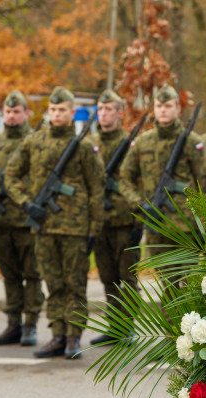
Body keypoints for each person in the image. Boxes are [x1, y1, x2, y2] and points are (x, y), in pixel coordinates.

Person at [6, 86, 105, 360]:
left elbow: (97, 188)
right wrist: (26, 203)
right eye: (53, 110)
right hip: (44, 227)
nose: (57, 114)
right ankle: (57, 335)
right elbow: (11, 175)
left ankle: (74, 337)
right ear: (48, 112)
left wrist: (94, 228)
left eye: (62, 110)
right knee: (53, 284)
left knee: (74, 285)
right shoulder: (33, 142)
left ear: (72, 112)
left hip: (75, 228)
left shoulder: (83, 146)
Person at [0, 90, 43, 348]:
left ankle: (30, 325)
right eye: (8, 112)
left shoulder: (36, 142)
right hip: (1, 222)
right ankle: (13, 324)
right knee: (9, 276)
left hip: (26, 221)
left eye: (16, 112)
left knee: (32, 275)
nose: (11, 116)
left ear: (26, 114)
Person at [87, 89, 142, 345]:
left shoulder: (130, 144)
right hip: (100, 221)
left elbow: (137, 181)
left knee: (127, 278)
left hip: (124, 221)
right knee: (107, 277)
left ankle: (128, 328)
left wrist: (138, 221)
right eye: (100, 109)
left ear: (119, 113)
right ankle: (114, 327)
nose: (104, 114)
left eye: (109, 109)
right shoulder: (91, 143)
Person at [118, 85, 205, 245]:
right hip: (154, 226)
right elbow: (124, 179)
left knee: (186, 271)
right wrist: (141, 205)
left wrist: (204, 225)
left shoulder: (192, 141)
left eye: (168, 106)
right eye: (159, 106)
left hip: (185, 228)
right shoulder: (142, 142)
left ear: (178, 108)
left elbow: (205, 184)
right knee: (158, 271)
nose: (163, 110)